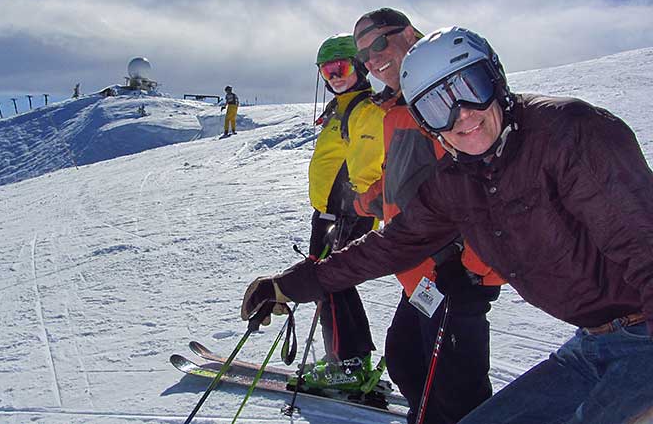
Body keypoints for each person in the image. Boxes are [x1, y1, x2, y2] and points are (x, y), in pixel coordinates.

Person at [242, 26, 653, 423]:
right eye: (437, 106)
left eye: (470, 88)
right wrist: (289, 285)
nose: (462, 115)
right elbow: (390, 245)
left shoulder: (571, 133)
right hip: (594, 345)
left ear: (497, 78)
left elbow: (642, 243)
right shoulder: (459, 179)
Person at [351, 8, 502, 424]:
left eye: (380, 42)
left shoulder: (446, 95)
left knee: (457, 395)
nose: (373, 58)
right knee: (404, 361)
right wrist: (364, 204)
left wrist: (471, 270)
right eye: (364, 53)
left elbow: (489, 185)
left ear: (411, 34)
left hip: (454, 276)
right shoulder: (396, 108)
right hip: (418, 274)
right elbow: (403, 175)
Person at [297, 33, 387, 391]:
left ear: (361, 66)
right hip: (329, 213)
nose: (333, 75)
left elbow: (367, 166)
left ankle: (348, 364)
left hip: (346, 214)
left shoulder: (364, 109)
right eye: (326, 69)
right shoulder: (342, 107)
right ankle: (348, 358)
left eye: (341, 66)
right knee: (334, 286)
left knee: (331, 282)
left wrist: (351, 210)